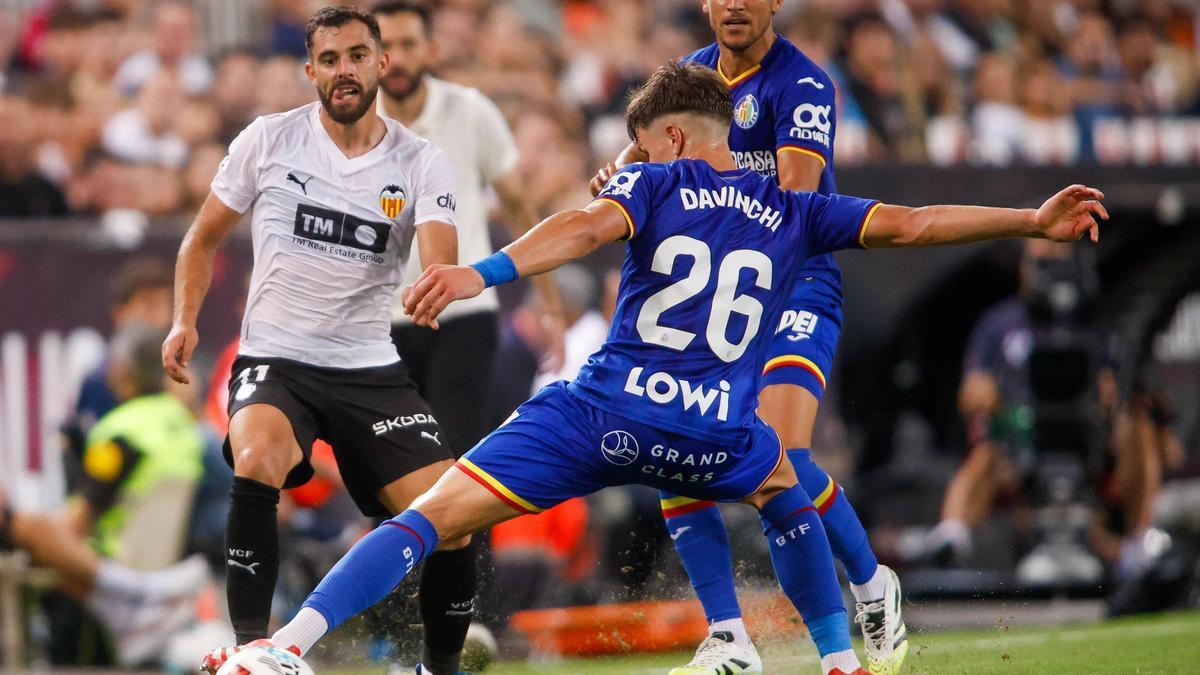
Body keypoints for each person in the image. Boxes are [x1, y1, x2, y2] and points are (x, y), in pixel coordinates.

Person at [206, 61, 1106, 675]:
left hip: (605, 414)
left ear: (671, 138)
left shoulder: (651, 181)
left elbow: (582, 227)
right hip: (717, 432)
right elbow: (914, 224)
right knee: (783, 481)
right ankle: (838, 656)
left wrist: (485, 271)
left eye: (640, 144)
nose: (630, 160)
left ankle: (284, 646)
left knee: (434, 514)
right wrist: (1032, 219)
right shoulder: (798, 209)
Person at [589, 2, 904, 671]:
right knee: (674, 435)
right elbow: (640, 151)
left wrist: (690, 198)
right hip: (716, 282)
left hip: (792, 279)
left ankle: (872, 583)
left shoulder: (803, 83)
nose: (734, 3)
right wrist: (621, 175)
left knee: (783, 453)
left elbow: (794, 200)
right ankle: (729, 634)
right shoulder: (689, 74)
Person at [161, 8, 474, 675]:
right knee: (256, 456)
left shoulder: (422, 161)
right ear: (311, 72)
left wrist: (437, 280)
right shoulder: (268, 139)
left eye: (357, 55)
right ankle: (251, 653)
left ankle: (439, 668)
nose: (344, 71)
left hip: (370, 368)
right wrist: (184, 319)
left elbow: (440, 254)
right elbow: (201, 239)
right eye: (329, 60)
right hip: (277, 361)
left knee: (454, 516)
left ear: (381, 64)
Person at [374, 0, 565, 461]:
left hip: (463, 313)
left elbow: (518, 205)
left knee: (455, 458)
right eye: (385, 47)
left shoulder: (471, 111)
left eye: (408, 44)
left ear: (431, 49)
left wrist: (549, 304)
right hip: (379, 317)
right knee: (386, 464)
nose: (397, 59)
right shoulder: (353, 122)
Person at [2, 324, 208, 666]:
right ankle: (132, 611)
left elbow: (79, 521)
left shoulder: (119, 430)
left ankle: (137, 597)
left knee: (28, 529)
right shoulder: (183, 422)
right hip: (164, 557)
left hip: (115, 552)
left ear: (122, 370)